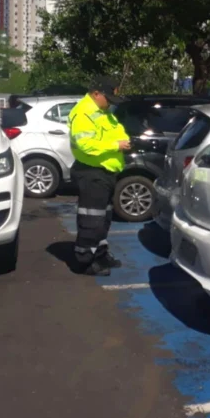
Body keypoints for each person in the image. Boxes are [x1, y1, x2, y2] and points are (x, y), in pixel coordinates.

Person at [67, 77, 131, 276]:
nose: (110, 102)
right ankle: (84, 261)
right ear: (96, 93)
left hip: (106, 173)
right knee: (91, 220)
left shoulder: (102, 112)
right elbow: (83, 144)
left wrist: (124, 141)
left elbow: (118, 131)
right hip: (91, 172)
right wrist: (116, 145)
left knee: (104, 218)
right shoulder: (84, 112)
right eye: (108, 98)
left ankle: (100, 255)